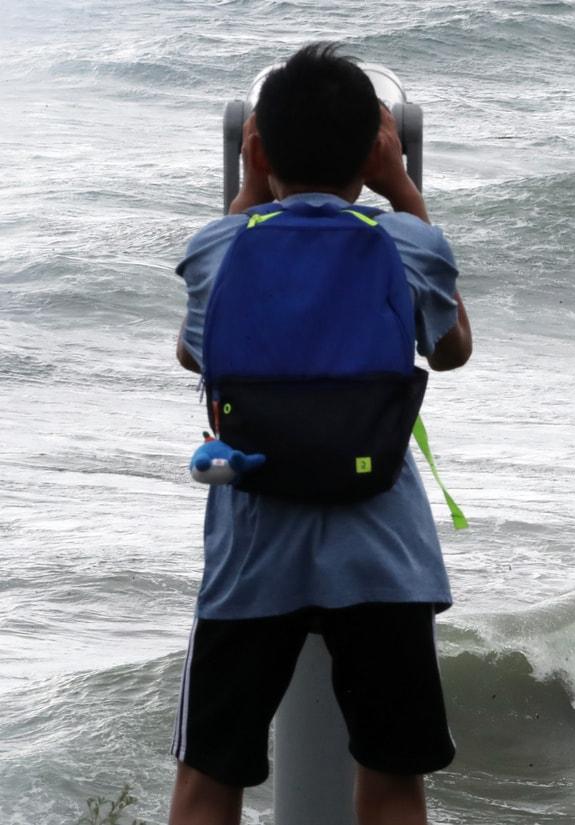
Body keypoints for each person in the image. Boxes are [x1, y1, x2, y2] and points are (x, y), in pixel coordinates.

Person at [169, 43, 471, 825]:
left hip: (252, 549)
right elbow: (453, 347)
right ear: (376, 147)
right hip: (380, 555)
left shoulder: (218, 246)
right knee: (392, 777)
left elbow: (191, 350)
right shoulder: (408, 243)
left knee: (209, 777)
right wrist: (403, 187)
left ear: (258, 142)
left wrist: (245, 187)